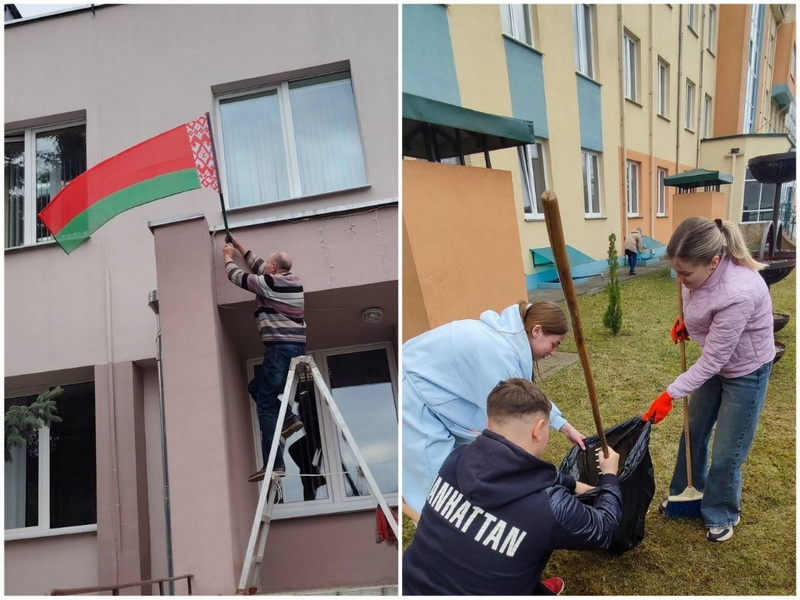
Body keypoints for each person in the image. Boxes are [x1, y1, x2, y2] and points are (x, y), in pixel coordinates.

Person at [403, 378, 621, 595]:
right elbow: (605, 528)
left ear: (488, 423)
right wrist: (609, 475)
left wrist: (571, 483)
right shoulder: (550, 507)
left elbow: (526, 474)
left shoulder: (456, 458)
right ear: (539, 429)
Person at [643, 216, 774, 542]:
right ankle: (686, 494)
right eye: (676, 271)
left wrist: (670, 394)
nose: (679, 279)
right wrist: (689, 323)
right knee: (694, 431)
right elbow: (700, 303)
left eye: (685, 273)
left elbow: (715, 360)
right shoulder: (695, 277)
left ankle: (721, 512)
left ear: (714, 262)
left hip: (746, 371)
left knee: (728, 450)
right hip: (718, 362)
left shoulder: (739, 291)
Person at [403, 301, 587, 516]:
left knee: (467, 466)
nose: (553, 352)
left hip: (436, 397)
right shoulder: (496, 351)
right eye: (554, 344)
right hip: (414, 401)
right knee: (437, 485)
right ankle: (443, 534)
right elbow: (517, 409)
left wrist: (564, 426)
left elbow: (528, 398)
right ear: (536, 331)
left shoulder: (504, 343)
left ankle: (474, 518)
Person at [223, 236, 306, 483]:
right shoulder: (289, 281)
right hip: (294, 349)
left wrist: (227, 256)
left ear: (273, 269)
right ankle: (289, 418)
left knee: (266, 405)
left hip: (279, 349)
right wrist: (239, 246)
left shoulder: (269, 282)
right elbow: (259, 265)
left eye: (268, 265)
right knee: (256, 388)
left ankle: (275, 464)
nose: (265, 267)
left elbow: (238, 277)